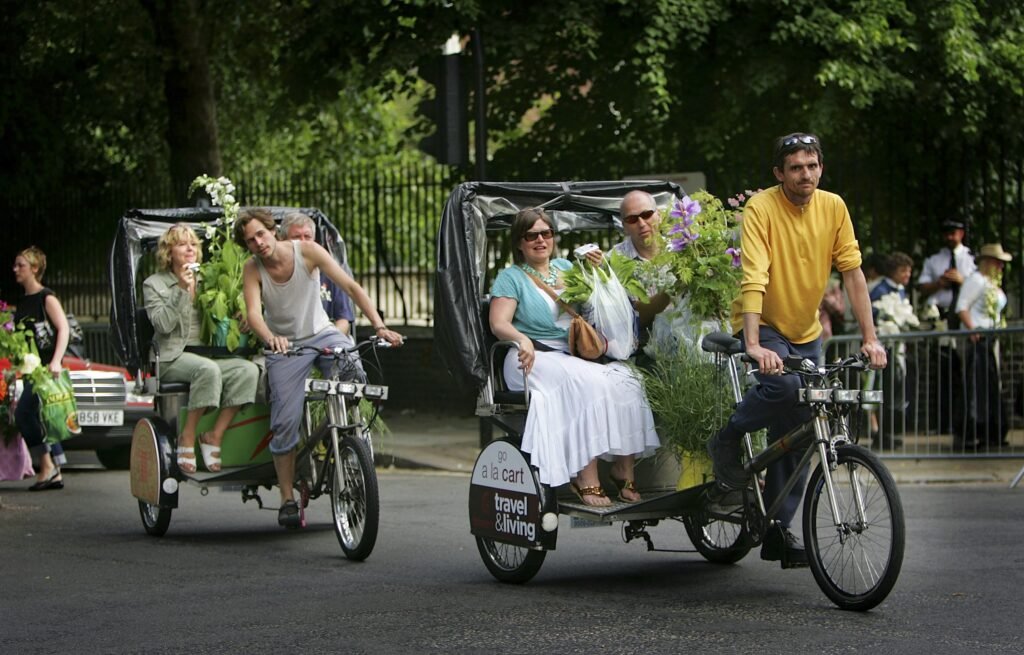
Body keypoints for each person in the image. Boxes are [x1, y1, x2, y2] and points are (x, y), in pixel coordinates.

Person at [705, 133, 886, 567]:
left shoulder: (834, 207)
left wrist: (870, 336)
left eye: (812, 166)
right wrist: (752, 343)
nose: (805, 174)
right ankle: (727, 438)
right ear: (779, 173)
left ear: (820, 168)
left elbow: (854, 274)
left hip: (807, 331)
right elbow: (754, 275)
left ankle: (776, 529)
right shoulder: (762, 207)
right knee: (784, 390)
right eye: (795, 167)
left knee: (805, 429)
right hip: (764, 322)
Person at [237, 208, 404, 528]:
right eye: (250, 240)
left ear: (272, 231)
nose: (258, 243)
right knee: (284, 420)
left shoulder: (309, 252)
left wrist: (379, 326)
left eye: (261, 234)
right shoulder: (253, 268)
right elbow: (254, 314)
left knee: (354, 370)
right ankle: (287, 498)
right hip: (285, 345)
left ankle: (352, 438)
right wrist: (271, 338)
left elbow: (351, 287)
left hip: (322, 333)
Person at [488, 207, 660, 507]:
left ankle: (623, 468)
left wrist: (601, 270)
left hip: (570, 354)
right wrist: (521, 339)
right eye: (531, 235)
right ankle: (585, 474)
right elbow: (498, 322)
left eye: (546, 233)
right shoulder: (511, 277)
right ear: (519, 242)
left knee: (629, 379)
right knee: (586, 381)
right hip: (529, 356)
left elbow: (598, 305)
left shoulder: (567, 268)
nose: (540, 240)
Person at [143, 224, 260, 474]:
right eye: (182, 243)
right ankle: (186, 436)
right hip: (170, 357)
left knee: (247, 370)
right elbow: (162, 325)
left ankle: (214, 435)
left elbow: (224, 310)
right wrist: (182, 291)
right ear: (168, 251)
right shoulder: (154, 284)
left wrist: (240, 312)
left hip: (207, 355)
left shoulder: (208, 279)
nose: (189, 248)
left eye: (193, 244)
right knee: (206, 370)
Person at [12, 246, 70, 490]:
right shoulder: (23, 301)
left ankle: (47, 466)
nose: (15, 269)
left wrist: (56, 360)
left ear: (34, 269)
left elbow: (63, 329)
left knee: (25, 413)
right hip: (29, 369)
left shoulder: (47, 297)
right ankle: (54, 470)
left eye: (21, 265)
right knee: (42, 417)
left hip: (46, 369)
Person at [955, 243, 1013, 449]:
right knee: (976, 386)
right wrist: (973, 330)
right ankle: (973, 432)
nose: (1001, 267)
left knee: (989, 385)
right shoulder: (976, 280)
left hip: (989, 338)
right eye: (998, 263)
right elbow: (962, 307)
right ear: (988, 262)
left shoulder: (991, 283)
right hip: (978, 338)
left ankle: (991, 430)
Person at [280, 212, 355, 335]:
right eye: (296, 237)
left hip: (326, 341)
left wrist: (332, 340)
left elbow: (343, 319)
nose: (303, 243)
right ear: (282, 240)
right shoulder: (273, 273)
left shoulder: (331, 273)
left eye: (307, 236)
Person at [612, 190, 672, 328]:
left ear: (659, 216)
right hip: (642, 345)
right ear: (624, 227)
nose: (641, 223)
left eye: (646, 215)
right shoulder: (614, 261)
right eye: (632, 219)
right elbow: (630, 317)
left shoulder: (681, 249)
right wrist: (669, 294)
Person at [918, 218, 976, 329]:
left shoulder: (972, 258)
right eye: (946, 234)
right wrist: (939, 284)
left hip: (966, 313)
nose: (949, 238)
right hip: (940, 313)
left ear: (961, 234)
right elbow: (922, 288)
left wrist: (963, 281)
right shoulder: (933, 259)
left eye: (952, 234)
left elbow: (983, 287)